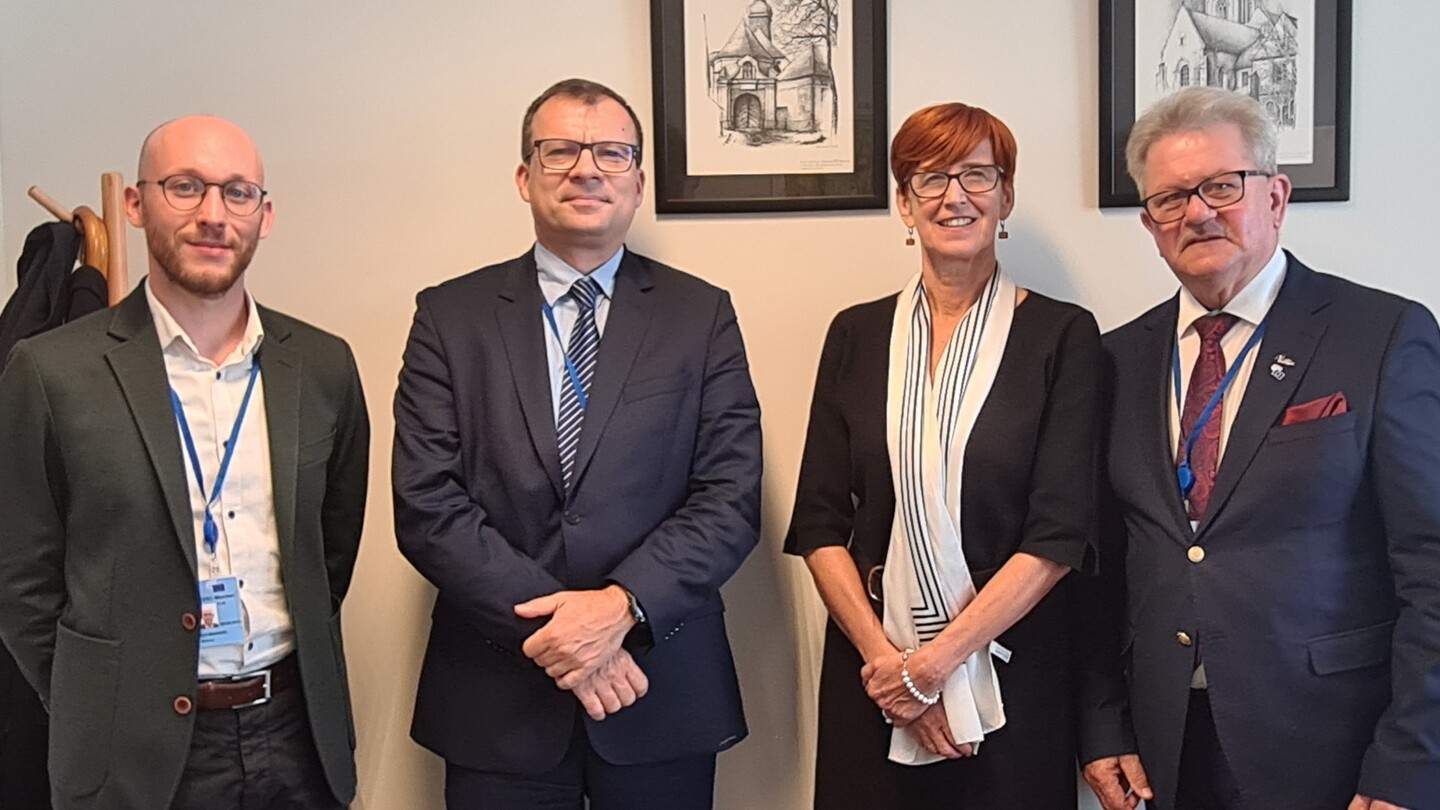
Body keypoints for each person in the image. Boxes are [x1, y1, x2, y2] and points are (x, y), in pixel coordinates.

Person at [393, 77, 762, 810]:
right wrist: (567, 629)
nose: (587, 169)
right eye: (561, 151)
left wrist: (621, 608)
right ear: (524, 177)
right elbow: (427, 502)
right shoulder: (450, 316)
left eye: (611, 153)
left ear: (638, 183)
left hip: (658, 686)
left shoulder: (701, 315)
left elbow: (730, 496)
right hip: (497, 695)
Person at [1080, 86, 1440, 810]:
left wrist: (1410, 762)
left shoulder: (1381, 335)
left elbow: (1431, 567)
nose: (1198, 213)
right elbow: (1101, 567)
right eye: (1170, 198)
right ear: (1150, 224)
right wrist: (1101, 724)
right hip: (1167, 745)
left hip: (1334, 747)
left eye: (1222, 185)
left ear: (1275, 197)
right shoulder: (1115, 359)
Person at [0, 115, 369, 810]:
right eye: (185, 187)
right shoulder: (51, 372)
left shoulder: (323, 366)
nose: (213, 214)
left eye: (237, 192)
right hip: (130, 750)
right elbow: (20, 577)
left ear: (264, 216)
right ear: (136, 204)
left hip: (297, 735)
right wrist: (95, 696)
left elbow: (331, 550)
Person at [784, 102, 1103, 808]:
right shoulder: (856, 335)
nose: (955, 196)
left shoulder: (1063, 336)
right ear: (904, 203)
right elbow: (818, 522)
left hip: (1008, 671)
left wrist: (933, 667)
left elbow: (1059, 534)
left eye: (977, 175)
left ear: (1006, 196)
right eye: (930, 178)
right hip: (872, 666)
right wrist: (891, 669)